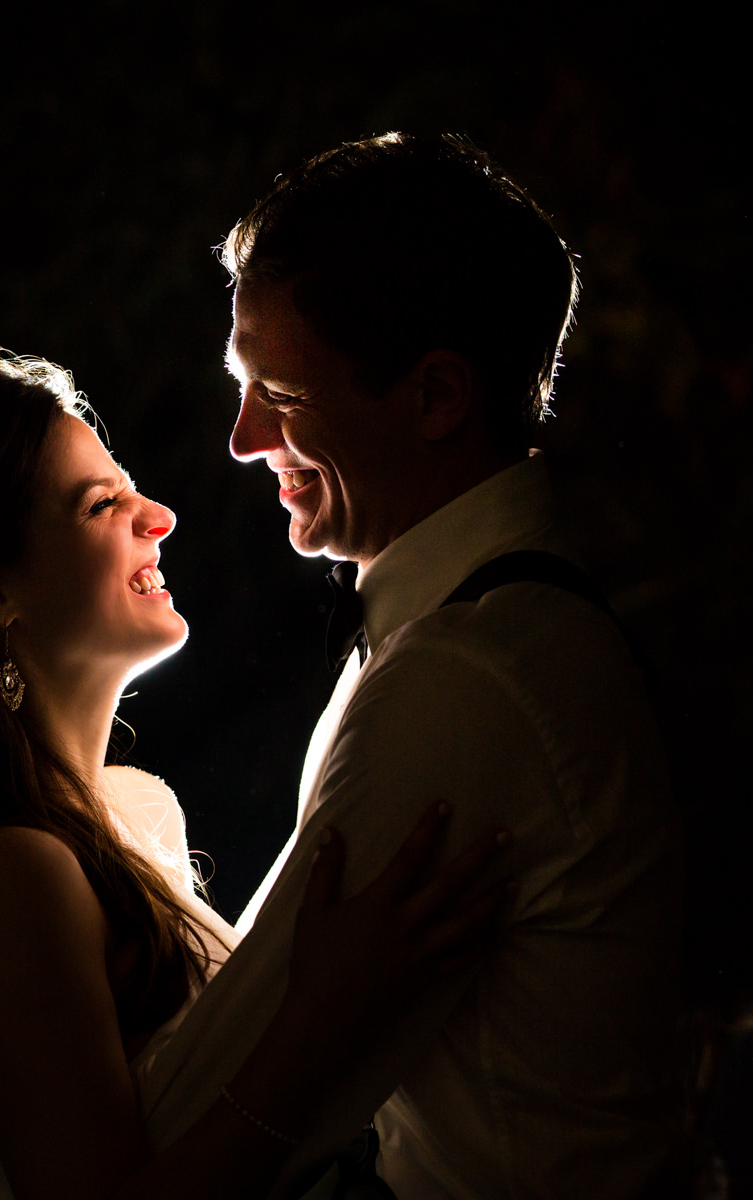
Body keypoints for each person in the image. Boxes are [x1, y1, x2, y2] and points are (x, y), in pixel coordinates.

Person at [0, 352, 510, 1200]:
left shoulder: (126, 819)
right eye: (101, 505)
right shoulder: (4, 878)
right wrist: (323, 1022)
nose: (159, 517)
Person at [135, 133, 683, 1197]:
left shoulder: (460, 683)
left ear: (436, 397)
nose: (245, 440)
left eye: (282, 396)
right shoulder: (481, 633)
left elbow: (191, 1109)